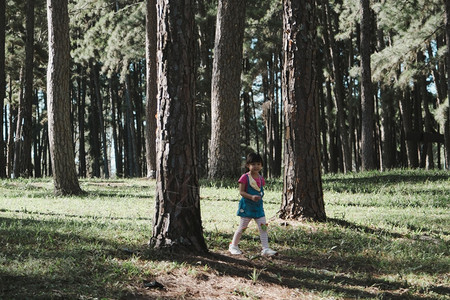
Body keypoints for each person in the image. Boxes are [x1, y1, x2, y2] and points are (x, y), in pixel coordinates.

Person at [228, 153, 277, 256]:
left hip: (258, 208)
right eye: (253, 164)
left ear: (262, 165)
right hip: (247, 207)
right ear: (248, 165)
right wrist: (251, 197)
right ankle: (233, 245)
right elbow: (241, 192)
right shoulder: (245, 177)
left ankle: (265, 248)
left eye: (258, 164)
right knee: (242, 227)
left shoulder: (260, 178)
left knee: (263, 227)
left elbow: (261, 190)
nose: (256, 166)